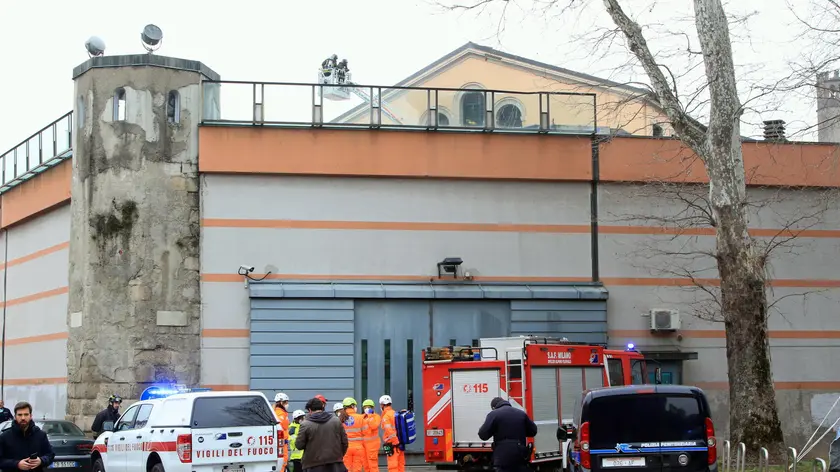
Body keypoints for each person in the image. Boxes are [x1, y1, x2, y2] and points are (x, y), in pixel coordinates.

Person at [477, 397, 538, 472]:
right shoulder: (521, 413)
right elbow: (533, 431)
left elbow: (483, 435)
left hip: (502, 456)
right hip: (520, 454)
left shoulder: (493, 414)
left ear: (494, 407)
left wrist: (494, 430)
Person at [295, 397, 348, 472]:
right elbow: (345, 442)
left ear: (310, 410)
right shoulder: (336, 421)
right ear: (323, 407)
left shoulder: (305, 424)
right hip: (336, 465)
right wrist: (338, 456)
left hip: (313, 465)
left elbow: (299, 445)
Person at [0, 401, 55, 472]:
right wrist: (17, 464)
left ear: (31, 416)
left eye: (26, 414)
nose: (23, 418)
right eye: (20, 415)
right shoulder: (4, 437)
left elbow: (50, 455)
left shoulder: (40, 435)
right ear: (15, 416)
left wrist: (41, 460)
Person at [339, 398, 368, 472]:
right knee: (357, 469)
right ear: (352, 406)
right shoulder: (360, 417)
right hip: (358, 448)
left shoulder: (341, 418)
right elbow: (366, 432)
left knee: (346, 469)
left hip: (345, 448)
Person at [378, 395, 404, 472]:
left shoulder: (386, 416)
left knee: (393, 466)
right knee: (400, 465)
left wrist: (395, 442)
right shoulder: (395, 413)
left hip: (393, 444)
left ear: (382, 405)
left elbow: (389, 431)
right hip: (400, 444)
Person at [361, 399, 381, 472]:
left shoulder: (376, 417)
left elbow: (373, 426)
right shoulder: (362, 417)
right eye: (365, 407)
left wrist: (370, 416)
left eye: (368, 407)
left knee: (373, 465)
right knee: (365, 465)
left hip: (372, 445)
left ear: (372, 408)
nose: (366, 409)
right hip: (363, 445)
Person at [274, 393, 291, 466]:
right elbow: (280, 428)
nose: (287, 404)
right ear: (280, 402)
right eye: (285, 402)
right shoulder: (279, 413)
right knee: (282, 463)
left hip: (283, 443)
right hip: (281, 443)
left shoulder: (282, 413)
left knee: (283, 463)